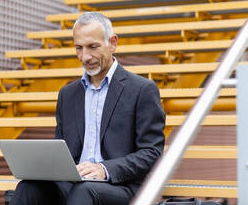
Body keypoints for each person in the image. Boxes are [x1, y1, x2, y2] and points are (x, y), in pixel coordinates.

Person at [10, 12, 165, 205]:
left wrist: (104, 169)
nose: (85, 56)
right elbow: (61, 149)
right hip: (74, 182)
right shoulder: (67, 94)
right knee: (28, 187)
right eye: (79, 48)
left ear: (113, 43)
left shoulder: (142, 89)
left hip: (121, 186)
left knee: (85, 192)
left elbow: (151, 152)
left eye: (93, 47)